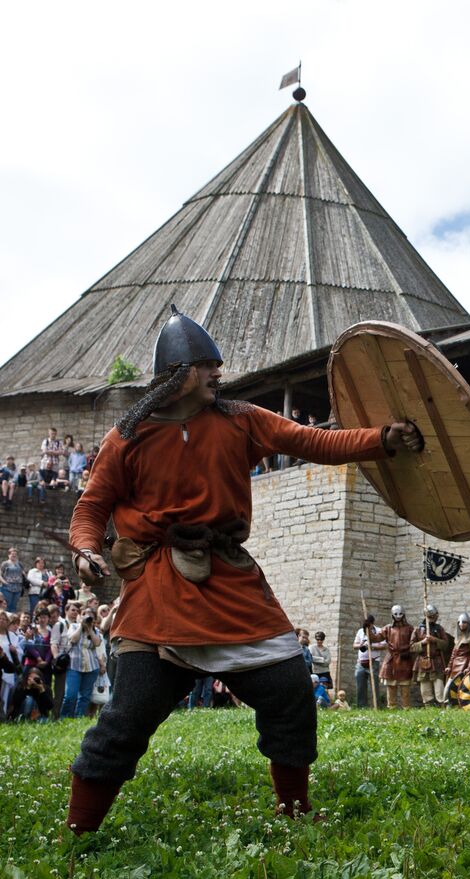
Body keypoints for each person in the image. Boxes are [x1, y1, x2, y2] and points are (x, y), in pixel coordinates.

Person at [64, 310, 424, 832]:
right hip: (159, 588)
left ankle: (294, 812)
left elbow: (311, 441)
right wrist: (85, 549)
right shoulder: (127, 439)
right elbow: (91, 507)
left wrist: (382, 439)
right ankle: (79, 832)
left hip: (230, 578)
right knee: (128, 716)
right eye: (207, 366)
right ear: (178, 373)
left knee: (291, 694)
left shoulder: (240, 419)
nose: (218, 374)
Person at [411, 606, 452, 708]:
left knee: (439, 689)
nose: (432, 618)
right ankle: (429, 709)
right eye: (431, 616)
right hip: (423, 662)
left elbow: (445, 644)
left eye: (434, 616)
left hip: (436, 661)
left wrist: (435, 640)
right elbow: (411, 647)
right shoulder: (418, 630)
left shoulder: (439, 629)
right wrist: (423, 642)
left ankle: (443, 707)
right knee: (425, 691)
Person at [379, 605, 415, 709]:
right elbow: (376, 638)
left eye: (400, 614)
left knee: (405, 687)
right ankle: (391, 708)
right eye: (396, 614)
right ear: (392, 615)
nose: (398, 616)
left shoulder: (410, 628)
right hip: (391, 659)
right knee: (391, 686)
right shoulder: (388, 628)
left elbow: (415, 642)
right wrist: (367, 627)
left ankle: (406, 708)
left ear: (404, 615)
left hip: (405, 658)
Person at [353, 614, 385, 709]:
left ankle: (376, 706)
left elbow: (384, 646)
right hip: (361, 662)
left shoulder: (379, 631)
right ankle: (362, 706)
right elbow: (354, 645)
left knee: (374, 685)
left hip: (374, 661)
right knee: (360, 685)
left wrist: (372, 647)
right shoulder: (360, 631)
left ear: (372, 623)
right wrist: (361, 645)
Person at [444, 613, 470, 700]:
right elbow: (453, 654)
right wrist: (449, 666)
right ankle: (446, 703)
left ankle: (458, 704)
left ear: (468, 624)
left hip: (464, 665)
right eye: (460, 622)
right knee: (448, 687)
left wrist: (469, 667)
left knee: (461, 687)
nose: (461, 624)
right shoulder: (458, 637)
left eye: (464, 622)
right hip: (454, 666)